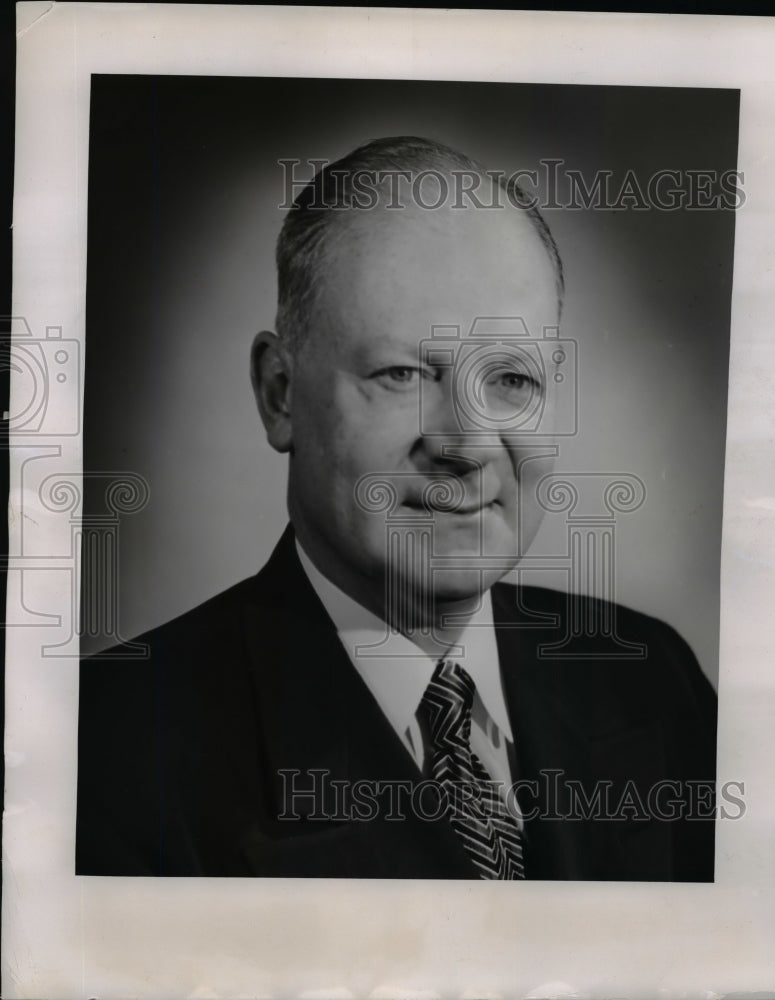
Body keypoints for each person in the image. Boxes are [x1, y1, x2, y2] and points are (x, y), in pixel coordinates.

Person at [76, 136, 717, 880]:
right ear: (279, 393)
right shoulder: (107, 755)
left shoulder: (652, 682)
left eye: (511, 379)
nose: (467, 444)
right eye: (403, 373)